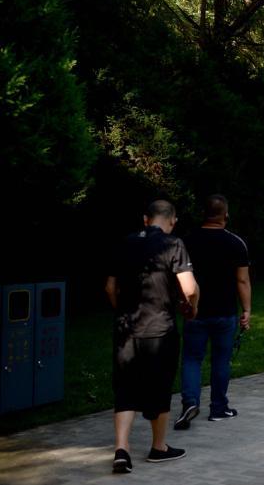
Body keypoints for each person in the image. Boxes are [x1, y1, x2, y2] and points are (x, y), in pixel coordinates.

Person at [106, 200, 199, 473]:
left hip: (126, 330)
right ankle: (158, 447)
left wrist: (121, 312)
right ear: (172, 221)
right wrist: (191, 307)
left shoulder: (125, 243)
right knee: (159, 387)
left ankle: (121, 449)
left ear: (146, 219)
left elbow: (110, 287)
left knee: (125, 388)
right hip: (160, 329)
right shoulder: (174, 244)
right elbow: (190, 288)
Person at [175, 195, 250, 431]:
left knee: (191, 358)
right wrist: (247, 309)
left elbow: (177, 277)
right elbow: (242, 280)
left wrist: (182, 302)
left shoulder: (186, 242)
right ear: (225, 215)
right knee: (221, 359)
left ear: (203, 213)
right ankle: (218, 407)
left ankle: (190, 401)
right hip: (225, 311)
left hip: (194, 310)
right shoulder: (236, 243)